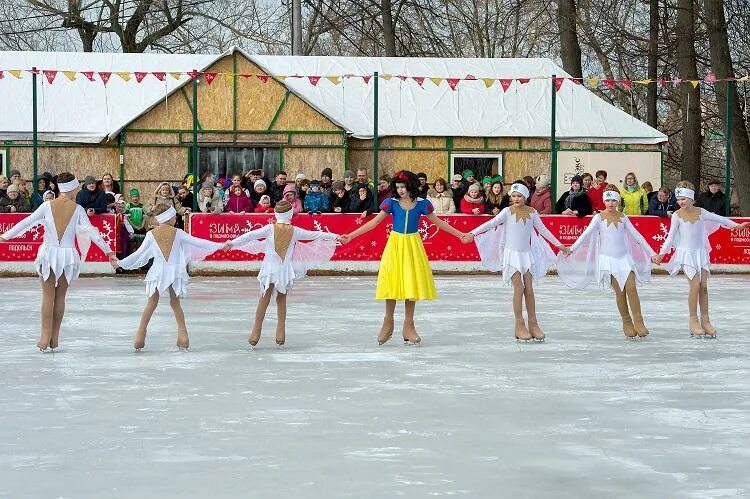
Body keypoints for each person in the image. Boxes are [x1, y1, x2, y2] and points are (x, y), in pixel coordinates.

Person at [339, 171, 469, 345]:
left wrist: (460, 234)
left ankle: (409, 325)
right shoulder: (391, 203)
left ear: (411, 186)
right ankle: (388, 321)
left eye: (403, 187)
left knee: (410, 282)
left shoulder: (423, 204)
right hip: (395, 244)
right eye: (398, 187)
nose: (400, 190)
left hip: (413, 245)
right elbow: (373, 223)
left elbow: (439, 223)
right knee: (392, 280)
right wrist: (351, 236)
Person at [0, 172, 116, 351]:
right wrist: (108, 251)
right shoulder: (78, 209)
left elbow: (27, 222)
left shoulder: (48, 206)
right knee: (60, 296)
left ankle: (44, 336)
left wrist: (6, 236)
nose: (78, 189)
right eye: (76, 187)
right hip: (67, 256)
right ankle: (54, 337)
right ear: (72, 189)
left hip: (49, 253)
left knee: (48, 296)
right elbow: (92, 232)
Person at [224, 200, 339, 346]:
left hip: (270, 269)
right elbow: (316, 234)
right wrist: (336, 236)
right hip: (284, 270)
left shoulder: (270, 228)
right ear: (290, 214)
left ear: (276, 214)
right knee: (281, 299)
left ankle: (256, 331)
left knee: (264, 298)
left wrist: (231, 243)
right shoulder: (295, 231)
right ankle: (280, 332)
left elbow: (249, 236)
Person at [465, 181, 569, 342]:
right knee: (518, 287)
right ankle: (519, 324)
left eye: (519, 196)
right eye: (513, 196)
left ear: (525, 197)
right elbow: (490, 223)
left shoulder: (532, 212)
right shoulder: (507, 211)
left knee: (529, 288)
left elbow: (543, 230)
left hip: (526, 255)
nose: (516, 198)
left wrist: (559, 245)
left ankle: (533, 323)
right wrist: (472, 233)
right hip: (511, 256)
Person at [115, 205, 223, 351]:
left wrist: (120, 262)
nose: (175, 219)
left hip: (158, 272)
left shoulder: (151, 234)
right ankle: (183, 335)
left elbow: (138, 254)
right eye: (174, 216)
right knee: (175, 303)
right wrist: (220, 245)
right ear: (170, 217)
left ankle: (140, 334)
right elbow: (198, 242)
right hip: (174, 272)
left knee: (152, 303)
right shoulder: (178, 233)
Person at [652, 181, 750, 337]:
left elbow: (719, 219)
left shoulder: (701, 212)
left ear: (692, 198)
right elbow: (670, 238)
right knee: (695, 286)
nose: (681, 202)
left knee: (703, 286)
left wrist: (736, 226)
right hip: (686, 255)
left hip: (700, 253)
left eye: (683, 198)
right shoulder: (676, 215)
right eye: (678, 199)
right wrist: (661, 254)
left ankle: (706, 320)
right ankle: (693, 320)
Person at [557, 186, 656, 338]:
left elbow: (638, 236)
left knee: (631, 287)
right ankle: (627, 321)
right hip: (608, 260)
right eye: (607, 200)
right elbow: (586, 235)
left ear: (618, 201)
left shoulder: (623, 217)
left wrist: (652, 253)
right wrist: (572, 248)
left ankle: (639, 320)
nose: (610, 203)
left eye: (613, 200)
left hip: (624, 259)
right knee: (620, 292)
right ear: (604, 201)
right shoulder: (599, 218)